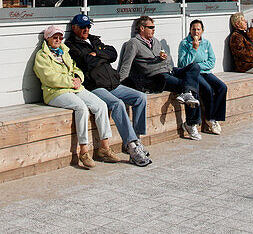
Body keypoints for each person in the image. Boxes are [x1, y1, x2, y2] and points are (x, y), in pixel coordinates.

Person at [65, 14, 151, 166]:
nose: (86, 30)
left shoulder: (94, 40)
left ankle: (136, 139)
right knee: (117, 104)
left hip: (112, 83)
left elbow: (113, 53)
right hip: (95, 86)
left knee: (140, 98)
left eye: (88, 26)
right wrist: (102, 55)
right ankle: (131, 146)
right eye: (82, 27)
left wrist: (97, 53)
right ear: (74, 28)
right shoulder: (72, 45)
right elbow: (86, 62)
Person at [33, 24, 117, 168]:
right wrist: (70, 82)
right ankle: (83, 150)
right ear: (47, 38)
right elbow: (49, 78)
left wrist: (78, 78)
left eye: (60, 37)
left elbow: (76, 68)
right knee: (81, 108)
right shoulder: (42, 56)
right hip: (55, 92)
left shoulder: (64, 52)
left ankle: (104, 146)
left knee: (101, 105)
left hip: (74, 87)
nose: (58, 40)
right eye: (55, 37)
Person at [118, 15, 203, 139]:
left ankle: (186, 94)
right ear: (142, 28)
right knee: (190, 85)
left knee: (194, 68)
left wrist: (163, 57)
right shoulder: (133, 44)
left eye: (154, 27)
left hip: (168, 70)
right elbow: (126, 64)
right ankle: (191, 123)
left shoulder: (156, 42)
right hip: (156, 76)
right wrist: (120, 84)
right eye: (150, 27)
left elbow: (167, 57)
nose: (154, 30)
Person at [177, 19, 227, 133]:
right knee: (207, 89)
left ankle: (214, 117)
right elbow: (183, 64)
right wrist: (194, 49)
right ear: (190, 30)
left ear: (202, 31)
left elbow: (211, 61)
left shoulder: (206, 43)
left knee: (222, 87)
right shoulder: (185, 44)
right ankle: (209, 118)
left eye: (198, 29)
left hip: (206, 72)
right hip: (192, 74)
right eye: (193, 29)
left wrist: (197, 65)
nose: (196, 32)